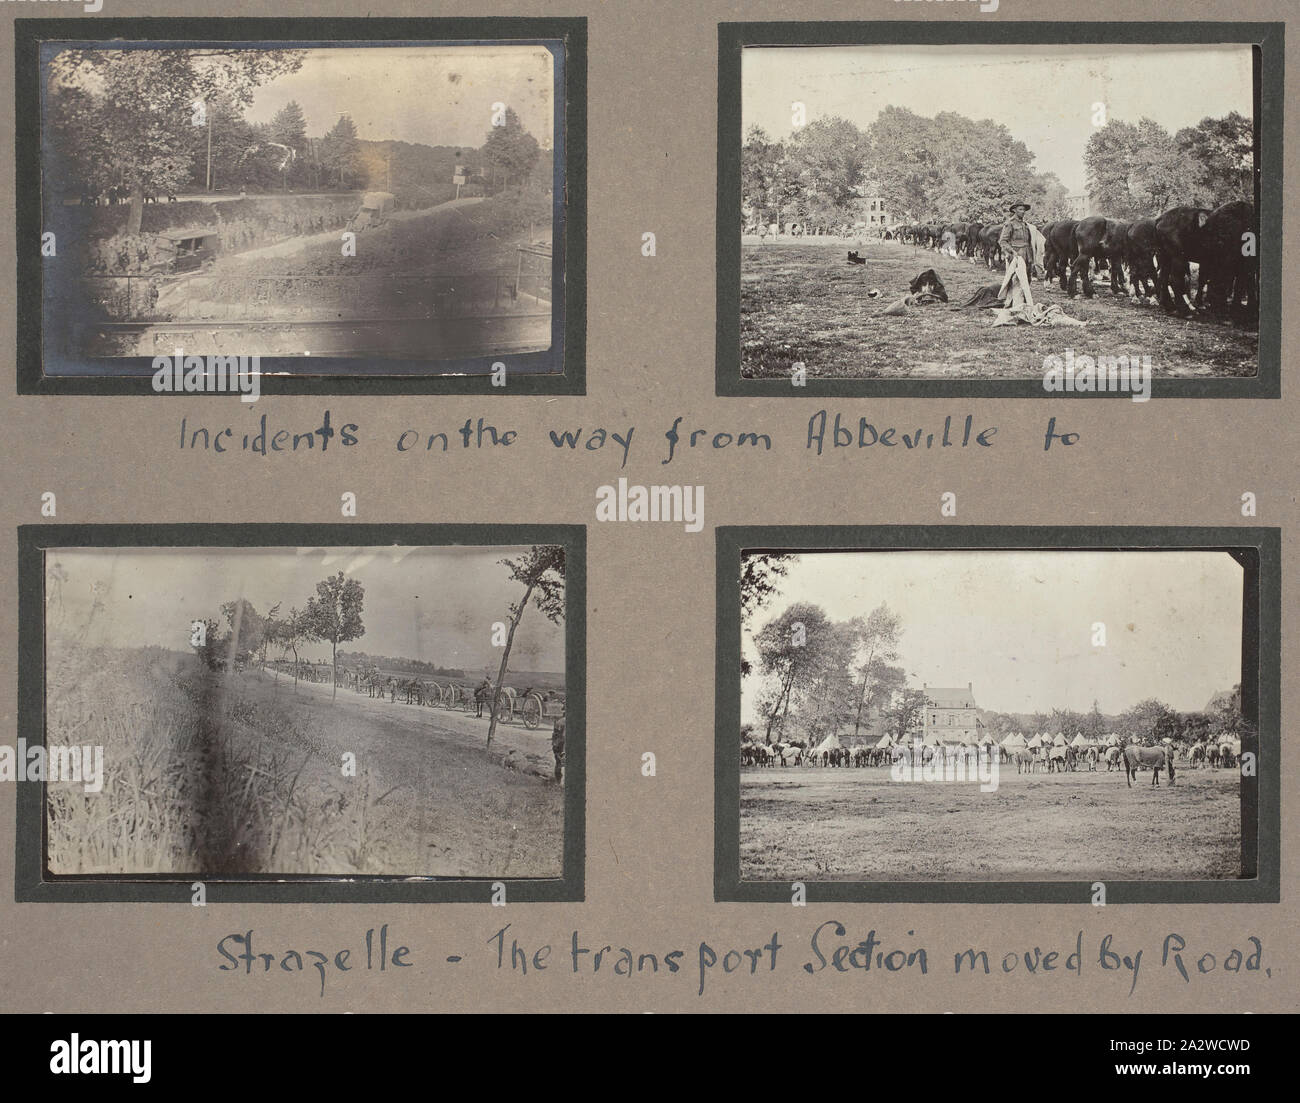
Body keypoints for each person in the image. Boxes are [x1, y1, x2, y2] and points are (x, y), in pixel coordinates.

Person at [998, 201, 1035, 270]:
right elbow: (1002, 241)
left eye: (1024, 210)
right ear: (1014, 210)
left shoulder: (1025, 224)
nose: (1023, 211)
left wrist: (1031, 257)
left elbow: (1029, 242)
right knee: (1015, 278)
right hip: (1015, 255)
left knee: (1027, 278)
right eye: (1020, 209)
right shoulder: (1010, 223)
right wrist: (1012, 252)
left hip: (1027, 255)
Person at [551, 715, 566, 783]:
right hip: (561, 747)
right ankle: (558, 782)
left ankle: (558, 782)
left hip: (560, 747)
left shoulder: (559, 722)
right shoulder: (560, 722)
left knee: (558, 763)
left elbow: (555, 737)